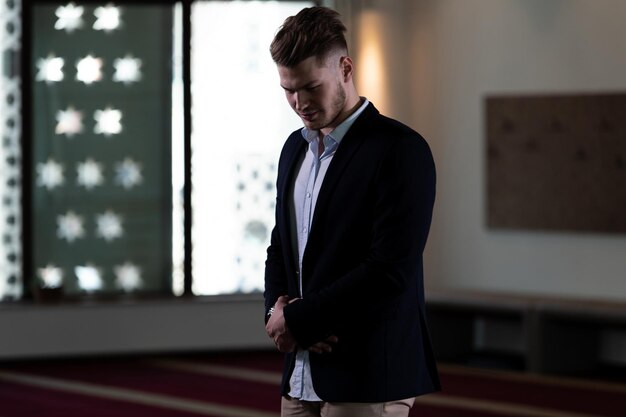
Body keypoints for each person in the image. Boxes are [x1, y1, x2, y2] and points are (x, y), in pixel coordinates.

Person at [264, 6, 440, 417]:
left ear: (345, 67)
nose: (299, 103)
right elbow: (281, 245)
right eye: (288, 90)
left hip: (367, 373)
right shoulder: (294, 148)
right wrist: (277, 311)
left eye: (310, 87)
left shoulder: (400, 150)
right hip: (302, 373)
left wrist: (303, 319)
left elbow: (389, 269)